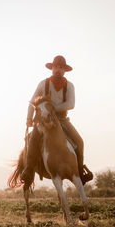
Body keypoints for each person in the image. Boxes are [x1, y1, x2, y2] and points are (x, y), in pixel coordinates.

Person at [23, 55, 93, 185]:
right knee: (33, 140)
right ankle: (28, 169)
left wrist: (53, 109)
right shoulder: (43, 84)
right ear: (52, 68)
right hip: (44, 120)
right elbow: (32, 102)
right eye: (56, 67)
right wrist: (29, 118)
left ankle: (79, 170)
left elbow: (71, 104)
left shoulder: (69, 86)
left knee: (79, 141)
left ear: (64, 70)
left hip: (62, 120)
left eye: (61, 68)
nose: (58, 70)